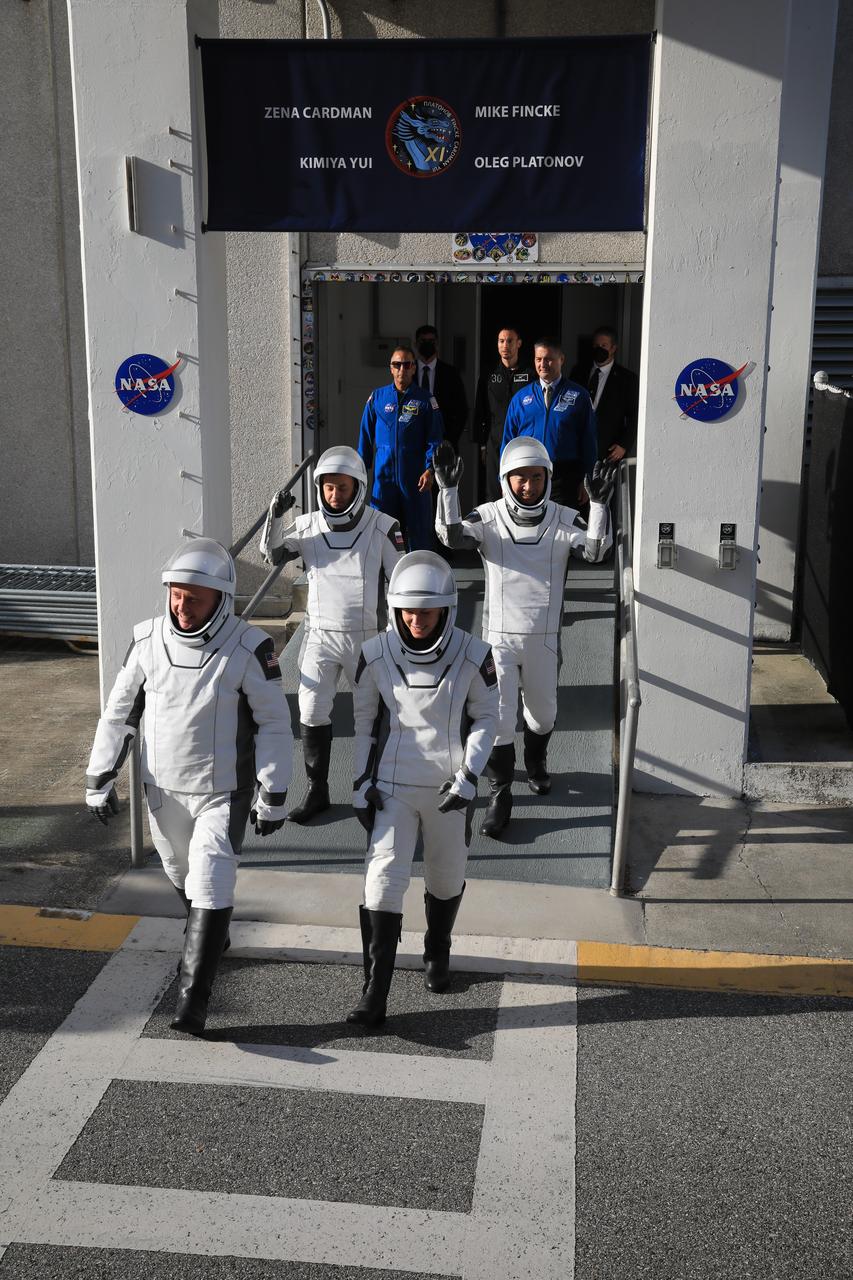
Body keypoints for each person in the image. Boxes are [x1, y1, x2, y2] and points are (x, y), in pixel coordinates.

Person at [84, 538, 293, 1035]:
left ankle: (192, 1003)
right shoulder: (147, 639)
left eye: (194, 597)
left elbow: (275, 725)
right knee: (179, 869)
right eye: (177, 594)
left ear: (221, 598)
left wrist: (274, 792)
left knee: (211, 878)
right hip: (162, 789)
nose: (182, 604)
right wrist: (99, 777)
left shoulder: (250, 647)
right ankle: (211, 933)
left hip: (223, 791)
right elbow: (119, 713)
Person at [434, 438, 615, 838]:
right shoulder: (489, 515)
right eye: (520, 479)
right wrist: (447, 492)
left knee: (543, 714)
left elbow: (596, 552)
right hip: (497, 639)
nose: (529, 487)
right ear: (505, 480)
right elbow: (451, 538)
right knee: (499, 718)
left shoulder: (565, 517)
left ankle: (535, 761)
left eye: (536, 478)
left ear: (548, 479)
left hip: (544, 639)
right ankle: (501, 794)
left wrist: (599, 507)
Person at [347, 551, 499, 1028]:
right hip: (392, 786)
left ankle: (438, 947)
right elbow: (364, 722)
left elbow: (489, 718)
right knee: (382, 882)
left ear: (447, 610)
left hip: (447, 789)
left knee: (446, 876)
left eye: (426, 611)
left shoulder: (475, 654)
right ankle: (375, 992)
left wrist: (470, 775)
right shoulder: (373, 653)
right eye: (408, 611)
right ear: (394, 609)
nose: (416, 620)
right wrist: (359, 781)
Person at [259, 445, 404, 823]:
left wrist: (396, 639)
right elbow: (273, 555)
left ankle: (365, 789)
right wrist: (275, 517)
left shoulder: (383, 527)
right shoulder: (307, 526)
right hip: (319, 635)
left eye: (342, 487)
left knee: (367, 717)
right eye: (328, 488)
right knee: (310, 711)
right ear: (319, 488)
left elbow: (403, 584)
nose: (335, 496)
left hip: (367, 638)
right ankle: (316, 791)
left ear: (359, 487)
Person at [358, 344, 443, 551]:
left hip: (415, 480)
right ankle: (386, 580)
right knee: (383, 534)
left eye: (406, 365)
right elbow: (365, 437)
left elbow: (435, 439)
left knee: (419, 533)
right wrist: (359, 473)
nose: (402, 369)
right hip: (383, 480)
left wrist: (430, 470)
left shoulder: (426, 400)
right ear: (391, 368)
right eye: (397, 365)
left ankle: (420, 579)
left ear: (414, 368)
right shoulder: (377, 398)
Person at [501, 337, 597, 507]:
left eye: (548, 359)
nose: (543, 364)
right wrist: (503, 478)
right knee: (530, 529)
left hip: (564, 476)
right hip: (528, 475)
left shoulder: (579, 396)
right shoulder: (520, 398)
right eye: (538, 359)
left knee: (563, 530)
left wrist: (586, 478)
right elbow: (508, 442)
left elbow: (588, 440)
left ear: (561, 359)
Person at [474, 326, 535, 501]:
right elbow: (481, 411)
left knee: (520, 490)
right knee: (494, 491)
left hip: (522, 441)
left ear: (519, 344)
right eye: (501, 341)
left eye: (509, 341)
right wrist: (482, 445)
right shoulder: (489, 374)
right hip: (495, 442)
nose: (505, 345)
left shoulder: (530, 375)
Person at [570, 325, 639, 462]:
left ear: (613, 348)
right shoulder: (578, 372)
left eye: (604, 345)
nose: (599, 349)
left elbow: (636, 414)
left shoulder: (627, 379)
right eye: (596, 345)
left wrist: (624, 444)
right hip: (577, 449)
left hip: (608, 452)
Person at [414, 323, 469, 449]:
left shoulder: (451, 373)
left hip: (443, 441)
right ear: (416, 344)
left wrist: (450, 439)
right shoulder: (408, 372)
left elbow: (461, 410)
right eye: (423, 341)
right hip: (413, 442)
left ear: (437, 343)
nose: (427, 344)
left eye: (431, 341)